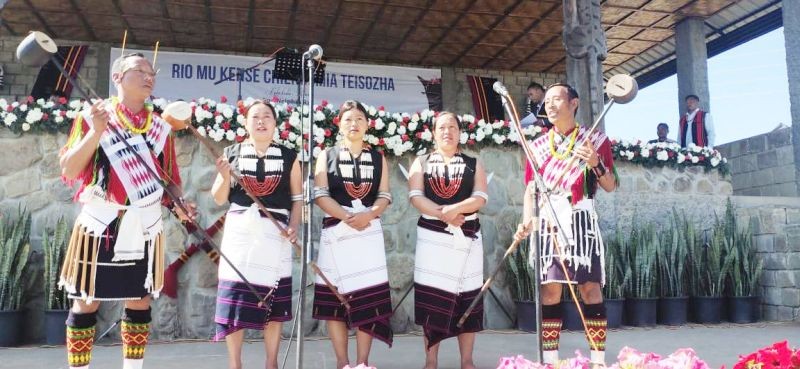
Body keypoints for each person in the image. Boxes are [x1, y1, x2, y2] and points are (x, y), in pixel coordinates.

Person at [58, 52, 195, 369]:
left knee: (139, 299)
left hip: (145, 223)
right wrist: (95, 132)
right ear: (117, 77)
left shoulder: (160, 128)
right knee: (86, 300)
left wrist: (181, 203)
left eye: (152, 72)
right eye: (140, 71)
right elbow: (69, 168)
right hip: (101, 222)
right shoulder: (94, 117)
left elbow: (169, 181)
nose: (149, 76)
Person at [515, 83, 617, 366]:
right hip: (548, 221)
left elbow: (610, 185)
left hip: (581, 221)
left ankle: (597, 360)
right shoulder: (536, 146)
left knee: (590, 289)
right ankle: (550, 360)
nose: (549, 105)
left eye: (556, 99)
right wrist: (527, 221)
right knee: (550, 289)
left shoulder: (595, 140)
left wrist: (596, 163)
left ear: (574, 103)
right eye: (546, 100)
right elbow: (530, 191)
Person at [211, 100, 302, 369]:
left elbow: (297, 198)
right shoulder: (232, 152)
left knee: (273, 303)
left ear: (275, 124)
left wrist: (293, 226)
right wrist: (224, 175)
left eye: (267, 117)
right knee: (235, 299)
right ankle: (235, 364)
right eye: (255, 117)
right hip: (241, 234)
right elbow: (218, 199)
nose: (261, 121)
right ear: (246, 123)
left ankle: (271, 363)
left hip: (276, 234)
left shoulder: (289, 157)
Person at [312, 100, 394, 368]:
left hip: (367, 233)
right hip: (337, 232)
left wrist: (368, 215)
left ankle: (362, 363)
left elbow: (384, 195)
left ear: (368, 125)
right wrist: (348, 216)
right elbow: (321, 195)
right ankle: (341, 362)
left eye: (359, 118)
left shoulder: (378, 158)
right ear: (339, 125)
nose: (354, 124)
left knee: (368, 300)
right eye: (348, 119)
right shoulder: (326, 155)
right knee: (335, 302)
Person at [409, 112, 488, 369]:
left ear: (460, 132)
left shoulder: (473, 163)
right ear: (433, 133)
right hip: (432, 239)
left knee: (468, 297)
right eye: (442, 127)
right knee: (433, 298)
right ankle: (431, 360)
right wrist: (444, 214)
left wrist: (456, 210)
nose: (447, 132)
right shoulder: (421, 162)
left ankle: (467, 361)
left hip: (466, 236)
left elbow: (480, 197)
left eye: (452, 127)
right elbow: (416, 197)